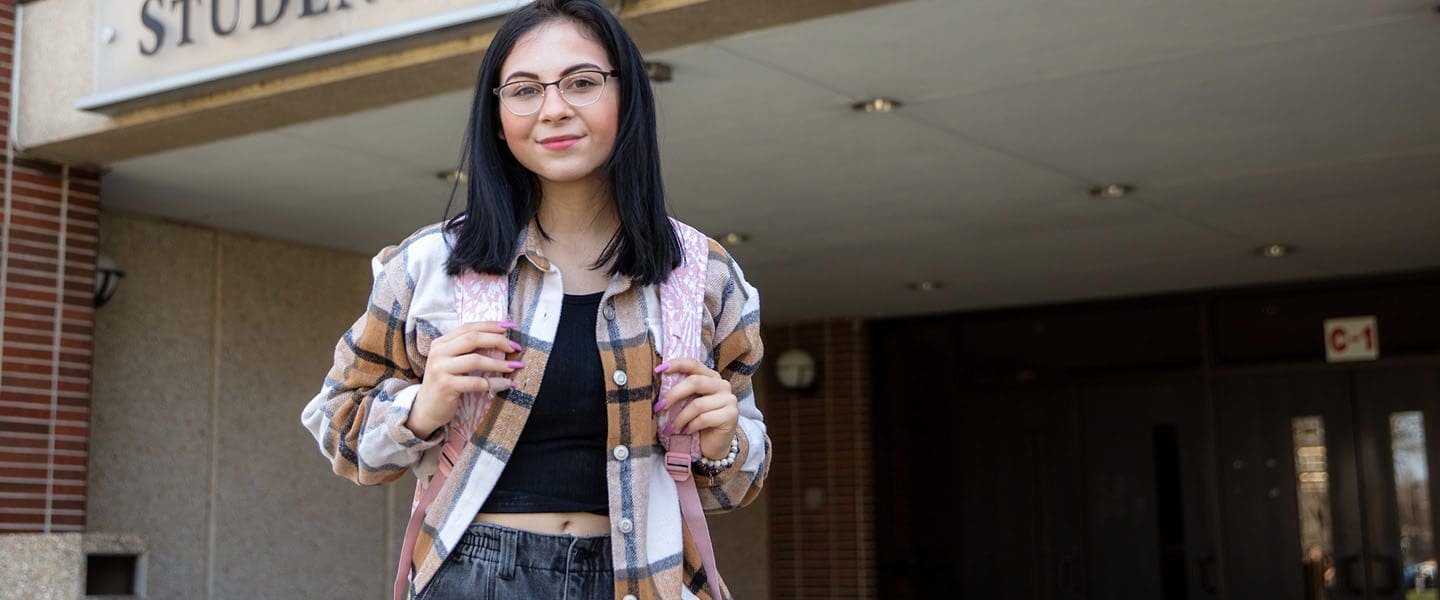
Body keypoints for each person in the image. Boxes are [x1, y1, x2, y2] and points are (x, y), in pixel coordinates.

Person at [299, 1, 771, 599]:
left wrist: (722, 439)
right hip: (474, 575)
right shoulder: (431, 265)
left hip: (641, 580)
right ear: (497, 117)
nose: (554, 109)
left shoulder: (700, 274)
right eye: (523, 90)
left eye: (581, 82)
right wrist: (424, 404)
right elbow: (339, 425)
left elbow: (737, 478)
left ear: (628, 97)